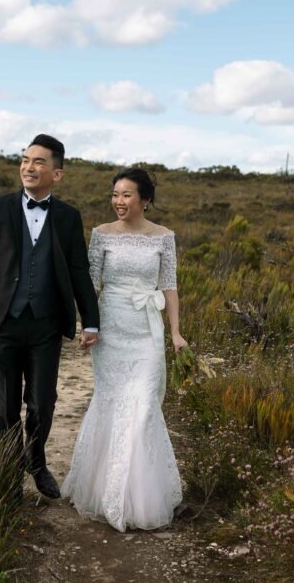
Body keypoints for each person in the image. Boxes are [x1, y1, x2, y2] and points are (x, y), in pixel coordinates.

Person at [0, 134, 100, 499]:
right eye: (24, 160)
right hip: (2, 321)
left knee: (42, 402)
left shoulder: (68, 217)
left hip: (46, 324)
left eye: (38, 162)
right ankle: (6, 470)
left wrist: (90, 320)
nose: (28, 167)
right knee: (2, 404)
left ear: (58, 174)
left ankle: (36, 461)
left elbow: (79, 270)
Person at [61, 167, 186, 531]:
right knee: (112, 403)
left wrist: (175, 333)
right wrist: (89, 325)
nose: (118, 201)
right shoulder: (101, 235)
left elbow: (170, 287)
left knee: (145, 405)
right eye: (115, 194)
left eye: (126, 195)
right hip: (112, 329)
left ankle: (140, 496)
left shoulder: (164, 238)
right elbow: (90, 283)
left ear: (145, 200)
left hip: (147, 330)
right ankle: (108, 492)